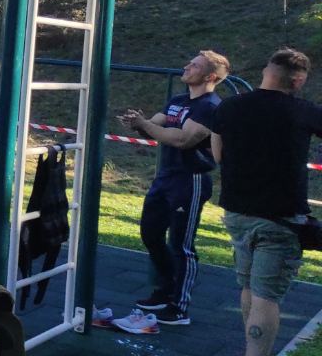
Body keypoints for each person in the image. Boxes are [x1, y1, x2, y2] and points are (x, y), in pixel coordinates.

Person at [128, 48, 319, 356]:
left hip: (237, 210)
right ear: (297, 81)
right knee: (265, 295)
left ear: (266, 73)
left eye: (195, 65)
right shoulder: (303, 111)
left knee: (247, 286)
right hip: (281, 215)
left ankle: (238, 340)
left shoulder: (227, 108)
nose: (187, 67)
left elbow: (216, 154)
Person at [113, 50, 229, 330]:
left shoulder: (210, 105)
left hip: (191, 180)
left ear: (210, 76)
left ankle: (179, 307)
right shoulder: (178, 101)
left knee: (181, 245)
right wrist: (137, 122)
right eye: (189, 62)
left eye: (195, 65)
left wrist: (145, 125)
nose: (187, 67)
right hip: (165, 177)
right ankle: (165, 291)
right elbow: (155, 125)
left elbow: (182, 139)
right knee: (150, 234)